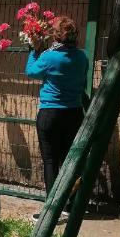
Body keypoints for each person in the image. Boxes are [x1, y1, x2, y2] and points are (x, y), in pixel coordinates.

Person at [25, 16, 88, 220]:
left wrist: (34, 50)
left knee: (50, 161)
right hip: (74, 114)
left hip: (50, 114)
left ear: (56, 36)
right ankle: (70, 204)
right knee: (69, 161)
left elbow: (31, 72)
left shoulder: (48, 57)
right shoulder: (82, 57)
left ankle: (52, 209)